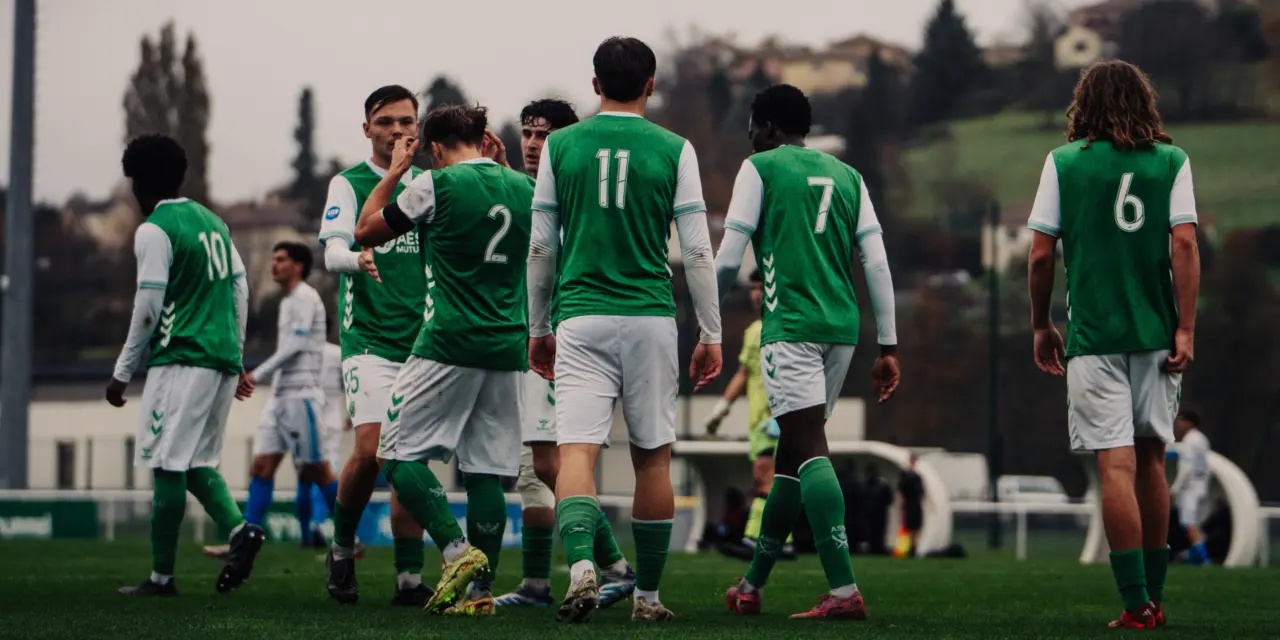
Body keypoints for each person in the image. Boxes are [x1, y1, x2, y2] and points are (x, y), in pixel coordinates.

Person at [526, 36, 723, 622]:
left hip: (580, 318)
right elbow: (697, 250)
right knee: (653, 460)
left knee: (577, 452)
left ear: (593, 85)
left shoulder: (561, 145)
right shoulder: (676, 148)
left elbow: (541, 246)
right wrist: (710, 332)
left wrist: (538, 326)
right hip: (650, 319)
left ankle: (583, 566)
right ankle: (648, 598)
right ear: (651, 84)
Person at [1026, 60, 1199, 629]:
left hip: (1095, 338)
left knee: (1116, 468)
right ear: (1144, 101)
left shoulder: (1062, 163)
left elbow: (1040, 254)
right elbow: (1185, 246)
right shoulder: (1172, 161)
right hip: (1156, 334)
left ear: (1083, 105)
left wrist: (1040, 324)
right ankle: (1158, 598)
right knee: (1153, 464)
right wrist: (1186, 328)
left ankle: (1134, 604)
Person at [717, 83, 900, 621]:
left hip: (791, 327)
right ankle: (751, 585)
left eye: (752, 126)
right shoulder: (849, 176)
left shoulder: (762, 168)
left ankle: (843, 591)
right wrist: (888, 344)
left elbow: (729, 258)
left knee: (809, 448)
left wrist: (705, 317)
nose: (750, 136)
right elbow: (878, 264)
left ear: (769, 127)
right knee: (792, 463)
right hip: (841, 331)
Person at [354, 103, 535, 616]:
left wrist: (392, 172)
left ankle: (456, 552)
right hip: (507, 347)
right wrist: (503, 169)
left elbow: (366, 231)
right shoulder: (525, 188)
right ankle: (480, 597)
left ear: (433, 148)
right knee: (485, 472)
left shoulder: (435, 184)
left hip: (449, 341)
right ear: (483, 137)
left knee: (395, 455)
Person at [107, 133, 265, 596]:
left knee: (167, 464)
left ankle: (161, 578)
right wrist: (234, 359)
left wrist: (121, 373)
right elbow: (241, 290)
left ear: (138, 184)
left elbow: (149, 307)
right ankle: (241, 531)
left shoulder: (154, 229)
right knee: (195, 462)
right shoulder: (213, 222)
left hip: (181, 361)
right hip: (217, 361)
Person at [494, 98, 636, 610]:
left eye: (543, 134)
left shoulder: (571, 192)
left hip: (560, 338)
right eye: (527, 133)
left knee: (553, 463)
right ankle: (535, 583)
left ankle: (618, 566)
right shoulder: (533, 188)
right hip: (528, 335)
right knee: (535, 469)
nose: (533, 143)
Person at [318, 85, 430, 606]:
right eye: (385, 122)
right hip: (366, 337)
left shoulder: (431, 185)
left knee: (411, 459)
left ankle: (410, 579)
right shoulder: (347, 183)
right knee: (369, 451)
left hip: (422, 340)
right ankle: (342, 548)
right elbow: (333, 251)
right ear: (367, 129)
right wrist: (356, 259)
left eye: (406, 121)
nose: (397, 131)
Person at [201, 246, 336, 560]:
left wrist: (255, 374)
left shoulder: (304, 297)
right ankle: (246, 540)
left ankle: (348, 537)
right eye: (273, 258)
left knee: (318, 470)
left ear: (299, 266)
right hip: (280, 396)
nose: (273, 264)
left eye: (280, 259)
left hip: (301, 395)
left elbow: (296, 345)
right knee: (261, 467)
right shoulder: (288, 300)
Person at [703, 269, 794, 561]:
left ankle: (755, 538)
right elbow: (744, 373)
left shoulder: (787, 328)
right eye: (753, 288)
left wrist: (784, 413)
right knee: (774, 480)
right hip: (759, 423)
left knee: (765, 476)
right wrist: (722, 408)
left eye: (761, 287)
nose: (756, 293)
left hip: (778, 419)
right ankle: (782, 541)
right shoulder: (754, 332)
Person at [1171, 410, 1212, 565]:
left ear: (1190, 422)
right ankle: (1192, 558)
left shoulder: (1189, 441)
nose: (1178, 424)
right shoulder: (1202, 439)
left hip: (1191, 486)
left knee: (1189, 524)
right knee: (1196, 525)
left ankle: (1204, 560)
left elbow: (1186, 468)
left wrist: (1174, 489)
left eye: (1181, 420)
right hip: (1202, 484)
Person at [897, 454, 925, 557]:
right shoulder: (906, 475)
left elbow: (922, 492)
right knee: (909, 527)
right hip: (909, 504)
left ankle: (913, 547)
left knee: (916, 527)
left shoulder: (917, 477)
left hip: (915, 504)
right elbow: (901, 490)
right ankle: (909, 548)